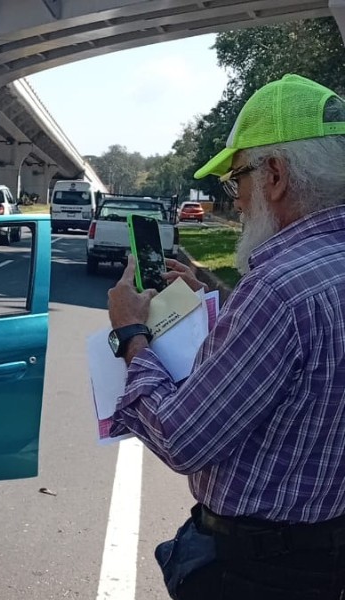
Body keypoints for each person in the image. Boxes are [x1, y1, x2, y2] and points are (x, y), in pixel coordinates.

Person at [106, 73, 345, 599]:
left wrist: (131, 334)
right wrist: (214, 300)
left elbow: (181, 438)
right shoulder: (314, 277)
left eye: (236, 179)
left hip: (257, 571)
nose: (235, 200)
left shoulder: (279, 289)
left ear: (276, 174)